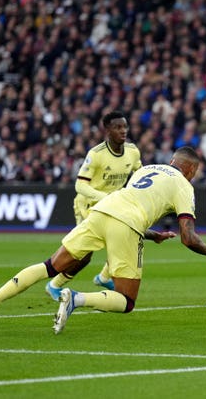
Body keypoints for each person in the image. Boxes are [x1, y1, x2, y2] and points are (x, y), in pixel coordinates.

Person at [0, 147, 206, 333]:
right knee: (126, 301)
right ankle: (76, 298)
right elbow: (188, 237)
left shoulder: (148, 170)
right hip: (127, 223)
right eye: (194, 172)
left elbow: (128, 203)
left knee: (51, 266)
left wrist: (152, 234)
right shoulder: (184, 185)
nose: (193, 177)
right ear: (190, 168)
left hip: (102, 211)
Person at [45, 111, 142, 301]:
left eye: (125, 126)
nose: (123, 131)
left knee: (125, 239)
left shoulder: (132, 151)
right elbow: (80, 185)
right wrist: (105, 197)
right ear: (107, 130)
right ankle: (54, 285)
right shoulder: (96, 154)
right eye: (118, 127)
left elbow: (139, 173)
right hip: (88, 206)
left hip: (113, 206)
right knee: (85, 255)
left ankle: (104, 277)